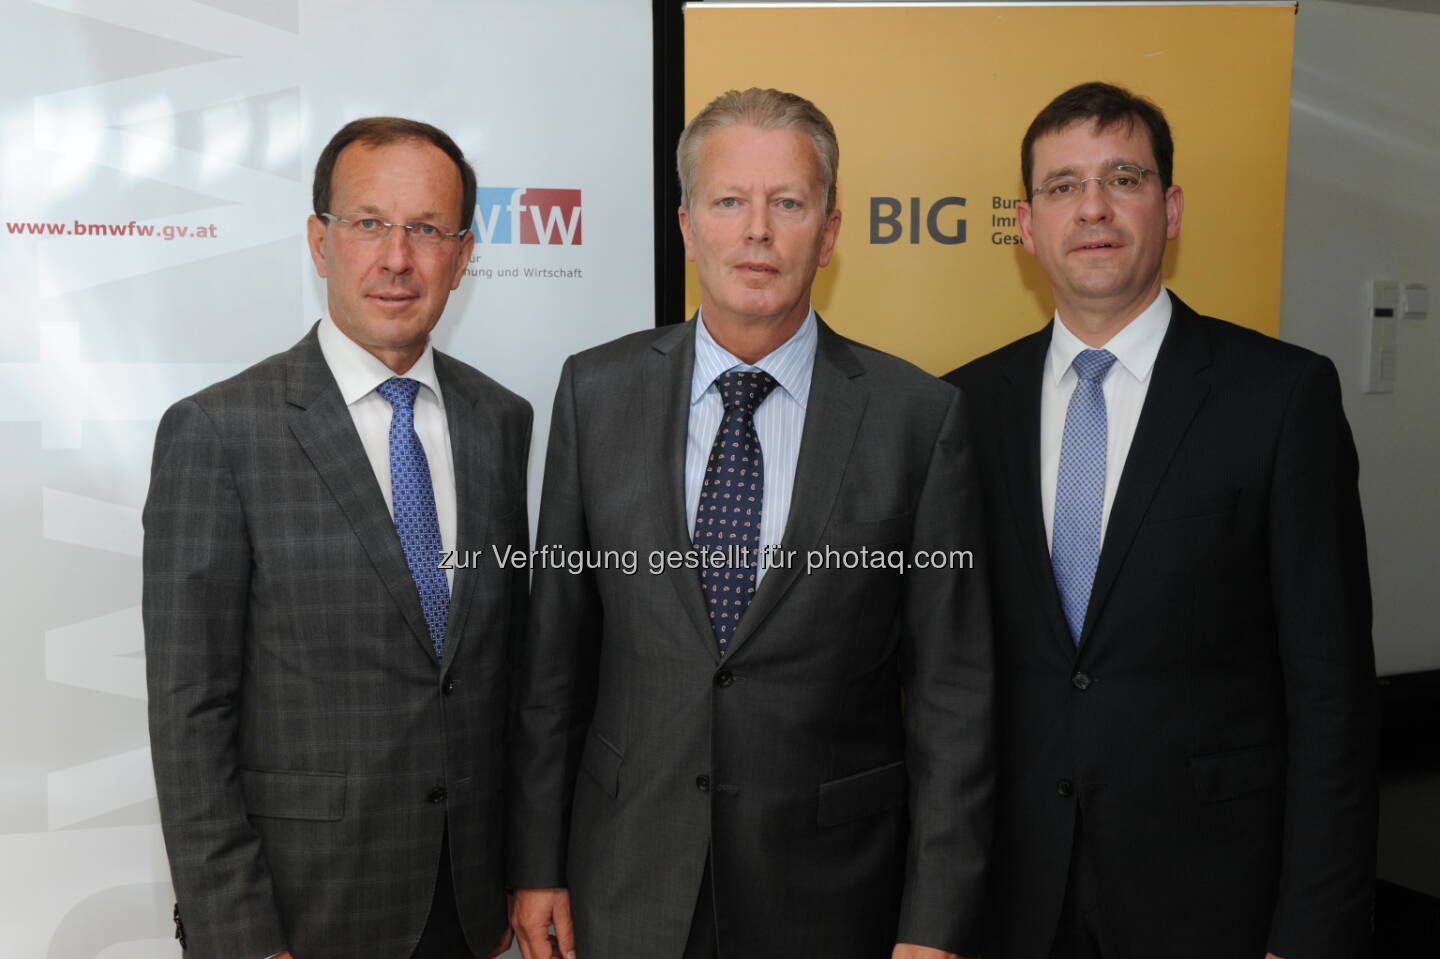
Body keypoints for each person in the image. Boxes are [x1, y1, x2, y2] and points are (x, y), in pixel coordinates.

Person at [507, 88, 993, 959]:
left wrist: (935, 922)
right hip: (627, 880)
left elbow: (953, 696)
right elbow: (555, 659)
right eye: (730, 201)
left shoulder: (918, 418)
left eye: (789, 203)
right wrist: (537, 863)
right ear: (688, 224)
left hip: (834, 894)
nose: (758, 230)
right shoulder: (596, 392)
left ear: (831, 230)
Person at [946, 82, 1378, 959]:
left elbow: (1332, 694)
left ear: (1170, 208)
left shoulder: (1282, 397)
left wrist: (1313, 928)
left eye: (1124, 177)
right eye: (1062, 186)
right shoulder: (963, 405)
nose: (1093, 207)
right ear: (1025, 227)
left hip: (1214, 902)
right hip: (1013, 898)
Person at [144, 116, 530, 959]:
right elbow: (189, 715)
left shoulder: (502, 422)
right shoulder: (218, 432)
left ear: (462, 256)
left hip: (466, 905)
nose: (398, 257)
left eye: (427, 229)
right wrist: (241, 935)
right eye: (368, 224)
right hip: (298, 913)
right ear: (320, 241)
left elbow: (508, 672)